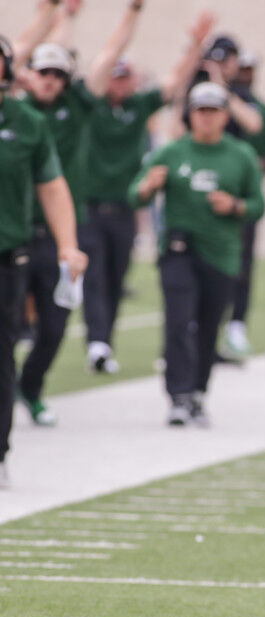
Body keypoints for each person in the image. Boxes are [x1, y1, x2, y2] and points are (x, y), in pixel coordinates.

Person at [17, 0, 141, 426]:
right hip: (13, 231)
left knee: (54, 327)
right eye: (42, 72)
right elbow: (16, 51)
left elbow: (108, 56)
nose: (50, 80)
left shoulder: (78, 106)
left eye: (57, 74)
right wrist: (57, 15)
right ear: (27, 74)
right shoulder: (13, 108)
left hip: (60, 234)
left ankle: (30, 388)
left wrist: (133, 13)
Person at [80, 10, 215, 375]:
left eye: (125, 78)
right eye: (115, 77)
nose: (119, 83)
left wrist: (195, 46)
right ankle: (97, 341)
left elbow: (173, 83)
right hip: (89, 206)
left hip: (124, 207)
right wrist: (131, 15)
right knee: (93, 275)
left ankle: (104, 341)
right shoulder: (89, 106)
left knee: (116, 277)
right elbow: (101, 64)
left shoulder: (138, 107)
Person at [128, 82, 265, 426]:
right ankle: (178, 394)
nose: (206, 118)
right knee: (178, 321)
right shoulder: (172, 152)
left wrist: (234, 205)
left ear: (224, 115)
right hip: (179, 251)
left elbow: (258, 205)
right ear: (190, 114)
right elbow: (134, 195)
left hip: (221, 254)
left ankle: (198, 392)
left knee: (207, 326)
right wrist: (148, 186)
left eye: (213, 111)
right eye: (200, 111)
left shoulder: (240, 155)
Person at [0, 31, 88, 486]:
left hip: (11, 254)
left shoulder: (26, 122)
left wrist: (68, 244)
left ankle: (0, 451)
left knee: (7, 351)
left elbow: (52, 188)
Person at [222, 49, 265, 360]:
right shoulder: (214, 105)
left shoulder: (263, 111)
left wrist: (251, 165)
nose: (245, 74)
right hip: (211, 201)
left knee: (243, 266)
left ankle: (237, 325)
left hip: (245, 199)